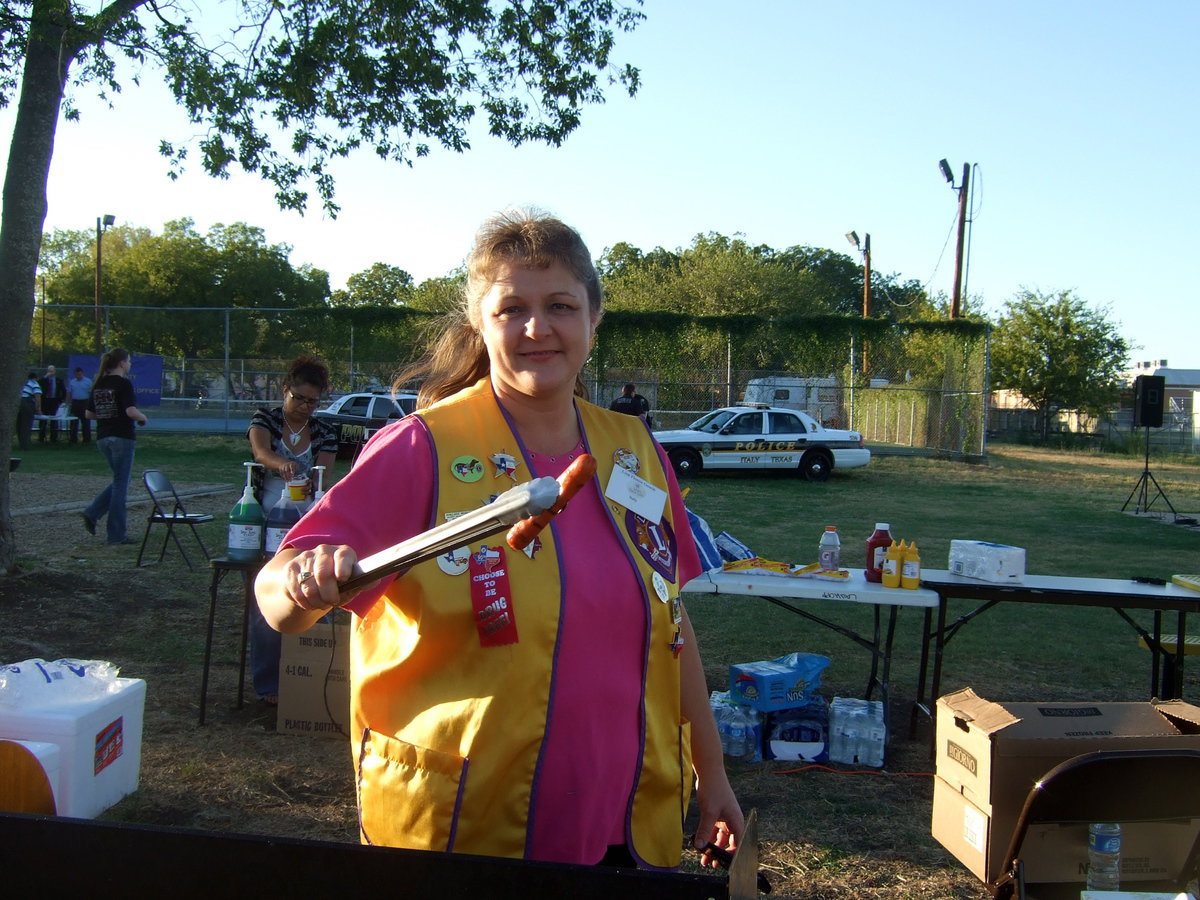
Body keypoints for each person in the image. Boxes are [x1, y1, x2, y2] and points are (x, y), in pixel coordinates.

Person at [255, 210, 743, 871]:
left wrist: (709, 772)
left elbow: (670, 620)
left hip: (622, 827)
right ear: (480, 324)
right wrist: (299, 583)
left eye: (561, 306)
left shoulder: (637, 453)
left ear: (593, 320)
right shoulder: (420, 449)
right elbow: (279, 598)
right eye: (512, 308)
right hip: (466, 826)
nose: (538, 328)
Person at [246, 354, 338, 704]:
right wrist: (281, 462)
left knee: (311, 596)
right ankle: (269, 685)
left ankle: (312, 679)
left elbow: (323, 475)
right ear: (285, 390)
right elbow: (260, 451)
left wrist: (311, 481)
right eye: (297, 398)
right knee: (263, 602)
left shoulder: (324, 430)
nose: (303, 406)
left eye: (312, 401)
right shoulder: (265, 418)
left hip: (305, 518)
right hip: (263, 514)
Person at [82, 349, 148, 544]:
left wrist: (108, 414)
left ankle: (93, 512)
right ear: (121, 363)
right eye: (129, 361)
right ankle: (116, 534)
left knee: (121, 481)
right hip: (122, 436)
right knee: (121, 485)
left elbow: (89, 414)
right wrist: (142, 417)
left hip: (103, 437)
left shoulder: (98, 385)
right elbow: (130, 411)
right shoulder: (123, 384)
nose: (130, 365)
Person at [37, 364, 66, 443]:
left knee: (54, 420)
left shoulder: (58, 380)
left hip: (54, 401)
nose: (50, 372)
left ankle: (53, 438)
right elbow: (38, 384)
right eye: (49, 371)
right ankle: (41, 438)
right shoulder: (44, 380)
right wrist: (45, 376)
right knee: (43, 420)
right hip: (45, 401)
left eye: (52, 371)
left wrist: (61, 400)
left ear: (55, 371)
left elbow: (63, 391)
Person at [67, 366, 94, 443]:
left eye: (79, 374)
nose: (78, 375)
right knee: (73, 422)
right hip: (75, 403)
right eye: (77, 374)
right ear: (75, 374)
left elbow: (91, 392)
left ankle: (86, 440)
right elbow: (69, 393)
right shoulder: (72, 382)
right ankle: (73, 439)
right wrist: (68, 403)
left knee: (85, 421)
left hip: (84, 402)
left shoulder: (88, 381)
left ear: (82, 373)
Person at [16, 371, 42, 450]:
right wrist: (38, 409)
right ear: (36, 378)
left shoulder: (24, 384)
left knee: (19, 425)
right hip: (27, 403)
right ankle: (26, 446)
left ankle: (21, 443)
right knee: (26, 425)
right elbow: (37, 397)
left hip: (18, 403)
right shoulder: (35, 384)